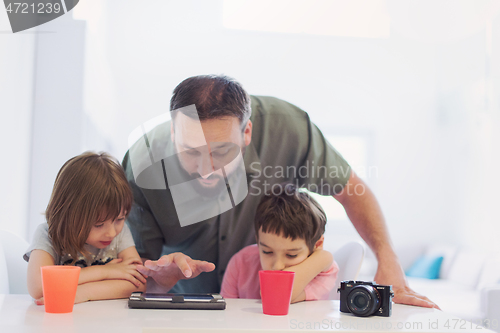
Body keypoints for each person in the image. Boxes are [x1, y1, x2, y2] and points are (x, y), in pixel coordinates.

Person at [124, 74, 438, 308]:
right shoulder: (142, 164)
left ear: (247, 133)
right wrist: (156, 280)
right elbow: (138, 270)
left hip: (268, 308)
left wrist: (388, 260)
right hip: (188, 306)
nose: (206, 169)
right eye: (190, 152)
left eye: (222, 152)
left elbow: (351, 189)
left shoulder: (289, 130)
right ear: (173, 132)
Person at [25, 152, 147, 304]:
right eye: (98, 224)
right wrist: (104, 272)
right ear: (69, 215)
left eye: (119, 219)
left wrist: (80, 293)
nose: (111, 233)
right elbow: (38, 287)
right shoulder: (48, 234)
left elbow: (138, 283)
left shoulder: (120, 234)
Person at [220, 183, 337, 303]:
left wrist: (325, 258)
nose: (277, 266)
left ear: (317, 245)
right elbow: (224, 315)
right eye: (267, 251)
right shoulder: (241, 262)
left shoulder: (323, 269)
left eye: (291, 255)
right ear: (258, 241)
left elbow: (274, 295)